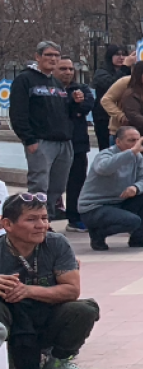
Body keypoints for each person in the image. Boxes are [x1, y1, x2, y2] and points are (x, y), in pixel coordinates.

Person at [0, 192, 100, 369]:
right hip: (11, 321)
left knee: (85, 309)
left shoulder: (57, 243)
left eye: (44, 218)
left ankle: (58, 363)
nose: (41, 225)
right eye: (31, 219)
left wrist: (28, 290)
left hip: (45, 315)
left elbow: (72, 290)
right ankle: (6, 362)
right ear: (7, 225)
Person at [79, 125, 143, 251]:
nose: (136, 144)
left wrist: (135, 188)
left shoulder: (137, 157)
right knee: (133, 221)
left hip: (119, 202)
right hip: (95, 208)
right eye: (131, 140)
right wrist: (131, 152)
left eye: (138, 140)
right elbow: (103, 168)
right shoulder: (105, 154)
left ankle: (138, 237)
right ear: (118, 142)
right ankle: (98, 234)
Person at [14, 41, 76, 219]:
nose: (53, 59)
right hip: (41, 142)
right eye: (49, 55)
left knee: (57, 187)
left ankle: (46, 218)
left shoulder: (56, 82)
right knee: (39, 186)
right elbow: (18, 113)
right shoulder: (24, 80)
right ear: (38, 57)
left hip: (63, 142)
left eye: (56, 55)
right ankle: (35, 220)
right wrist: (28, 139)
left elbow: (63, 112)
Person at [53, 58, 94, 231]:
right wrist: (71, 103)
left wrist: (77, 104)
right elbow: (55, 110)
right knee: (52, 182)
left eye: (70, 68)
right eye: (63, 68)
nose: (68, 72)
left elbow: (87, 106)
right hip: (53, 141)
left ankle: (75, 216)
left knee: (77, 181)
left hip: (77, 142)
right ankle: (48, 214)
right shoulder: (49, 89)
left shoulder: (81, 89)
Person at [91, 44, 130, 151]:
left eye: (124, 54)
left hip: (121, 120)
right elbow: (111, 84)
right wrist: (124, 68)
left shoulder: (129, 72)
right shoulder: (101, 72)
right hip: (104, 117)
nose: (121, 58)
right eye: (117, 54)